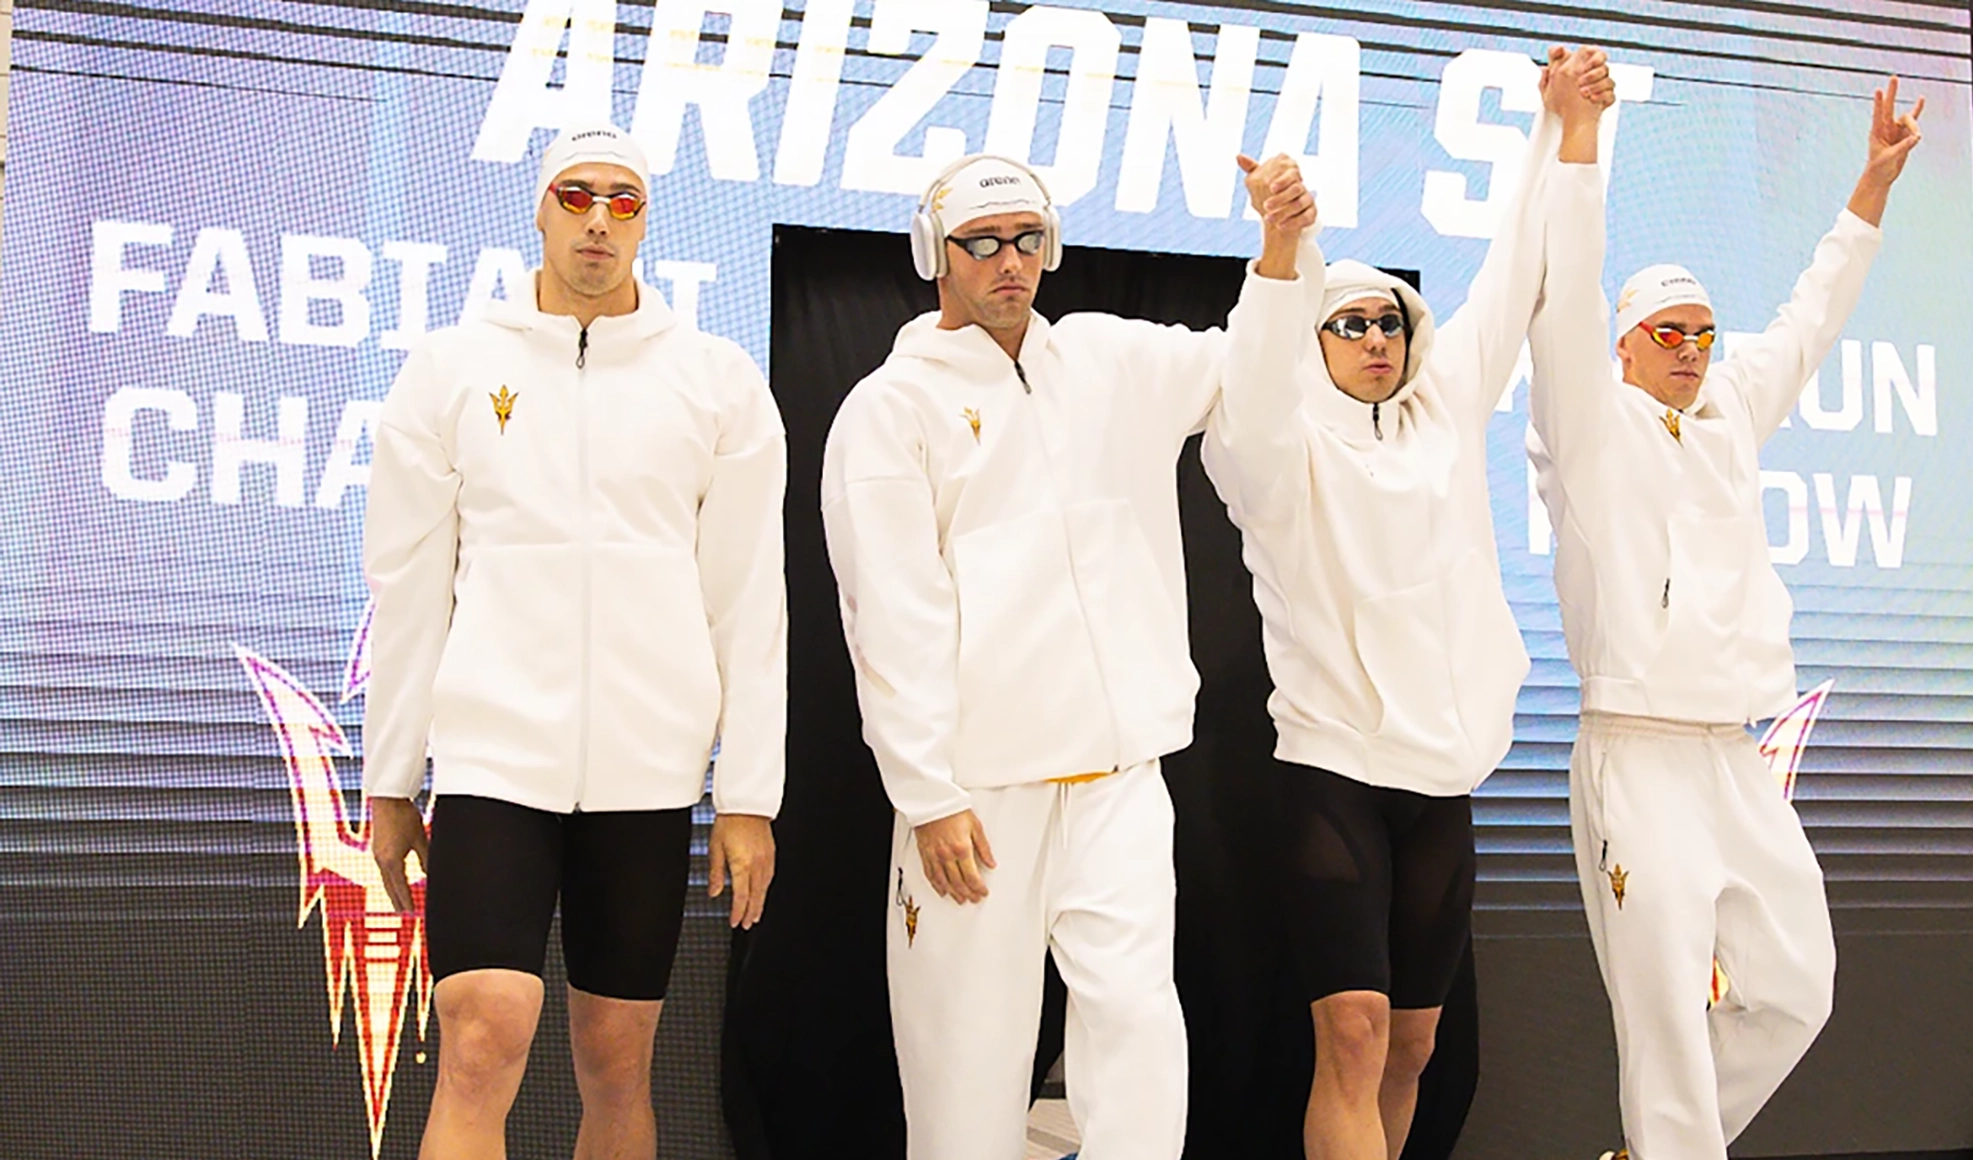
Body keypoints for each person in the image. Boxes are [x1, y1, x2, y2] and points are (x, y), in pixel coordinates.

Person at [1202, 48, 1615, 1160]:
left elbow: (1516, 267)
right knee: (1353, 1029)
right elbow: (1248, 389)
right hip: (1334, 770)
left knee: (1414, 1048)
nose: (1377, 338)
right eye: (1351, 324)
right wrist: (1284, 252)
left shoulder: (1441, 409)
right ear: (1315, 341)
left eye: (1389, 322)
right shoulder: (1274, 449)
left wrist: (1557, 128)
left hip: (1442, 780)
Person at [362, 123, 787, 1160]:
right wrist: (388, 779)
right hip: (495, 760)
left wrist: (749, 797)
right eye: (577, 193)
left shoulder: (718, 381)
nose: (599, 217)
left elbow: (748, 598)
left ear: (645, 221)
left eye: (624, 200)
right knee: (481, 1034)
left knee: (614, 1058)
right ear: (541, 207)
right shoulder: (452, 368)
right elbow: (408, 585)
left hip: (646, 774)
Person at [1526, 71, 1923, 1160]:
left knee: (1798, 986)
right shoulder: (1586, 424)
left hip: (1733, 756)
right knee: (1662, 1026)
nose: (1694, 348)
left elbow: (1811, 314)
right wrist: (1582, 135)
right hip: (1635, 754)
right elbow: (1561, 296)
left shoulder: (1732, 410)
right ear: (1624, 343)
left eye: (1704, 330)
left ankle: (1657, 1151)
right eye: (1670, 332)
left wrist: (1872, 187)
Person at [818, 153, 1235, 1160]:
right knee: (966, 1069)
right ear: (936, 255)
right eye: (983, 242)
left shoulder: (1103, 362)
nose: (1010, 261)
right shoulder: (890, 407)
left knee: (1139, 1019)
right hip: (977, 789)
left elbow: (1248, 359)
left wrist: (1282, 254)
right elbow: (891, 613)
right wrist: (927, 791)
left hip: (1119, 771)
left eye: (1028, 239)